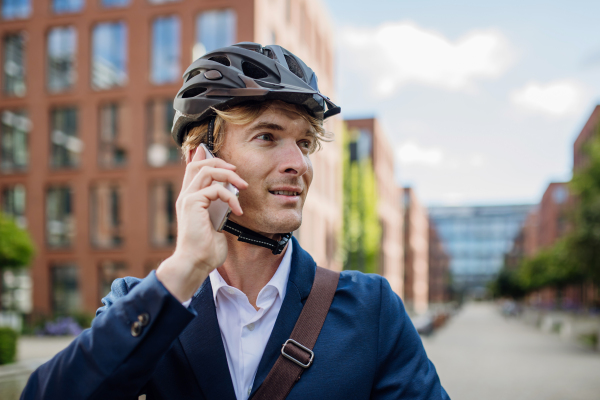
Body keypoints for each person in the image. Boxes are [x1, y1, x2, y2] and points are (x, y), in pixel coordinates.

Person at [21, 42, 449, 400]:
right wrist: (184, 269)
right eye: (268, 136)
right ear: (200, 159)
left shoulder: (371, 309)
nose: (298, 163)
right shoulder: (143, 303)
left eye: (304, 142)